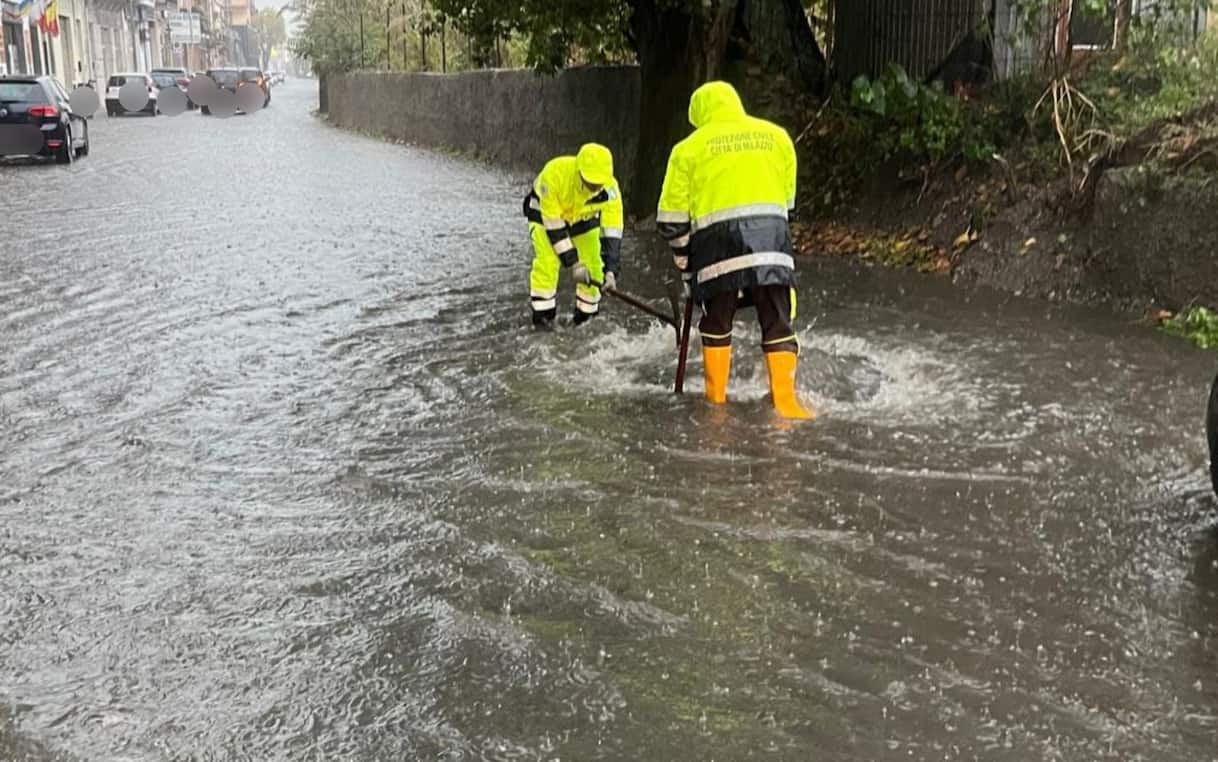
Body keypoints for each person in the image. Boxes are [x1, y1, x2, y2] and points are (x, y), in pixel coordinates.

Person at [656, 81, 813, 420]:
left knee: (716, 321)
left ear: (698, 115)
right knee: (777, 321)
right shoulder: (776, 137)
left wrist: (687, 266)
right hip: (773, 242)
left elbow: (670, 220)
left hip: (716, 248)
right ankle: (787, 404)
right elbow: (788, 203)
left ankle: (715, 403)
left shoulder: (688, 149)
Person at [522, 144, 624, 329]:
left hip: (583, 219)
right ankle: (543, 320)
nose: (594, 188)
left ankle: (586, 319)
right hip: (544, 217)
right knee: (547, 263)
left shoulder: (611, 191)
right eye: (590, 183)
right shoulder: (554, 174)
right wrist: (574, 263)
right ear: (579, 173)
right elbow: (554, 227)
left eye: (598, 184)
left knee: (593, 264)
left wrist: (610, 271)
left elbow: (612, 232)